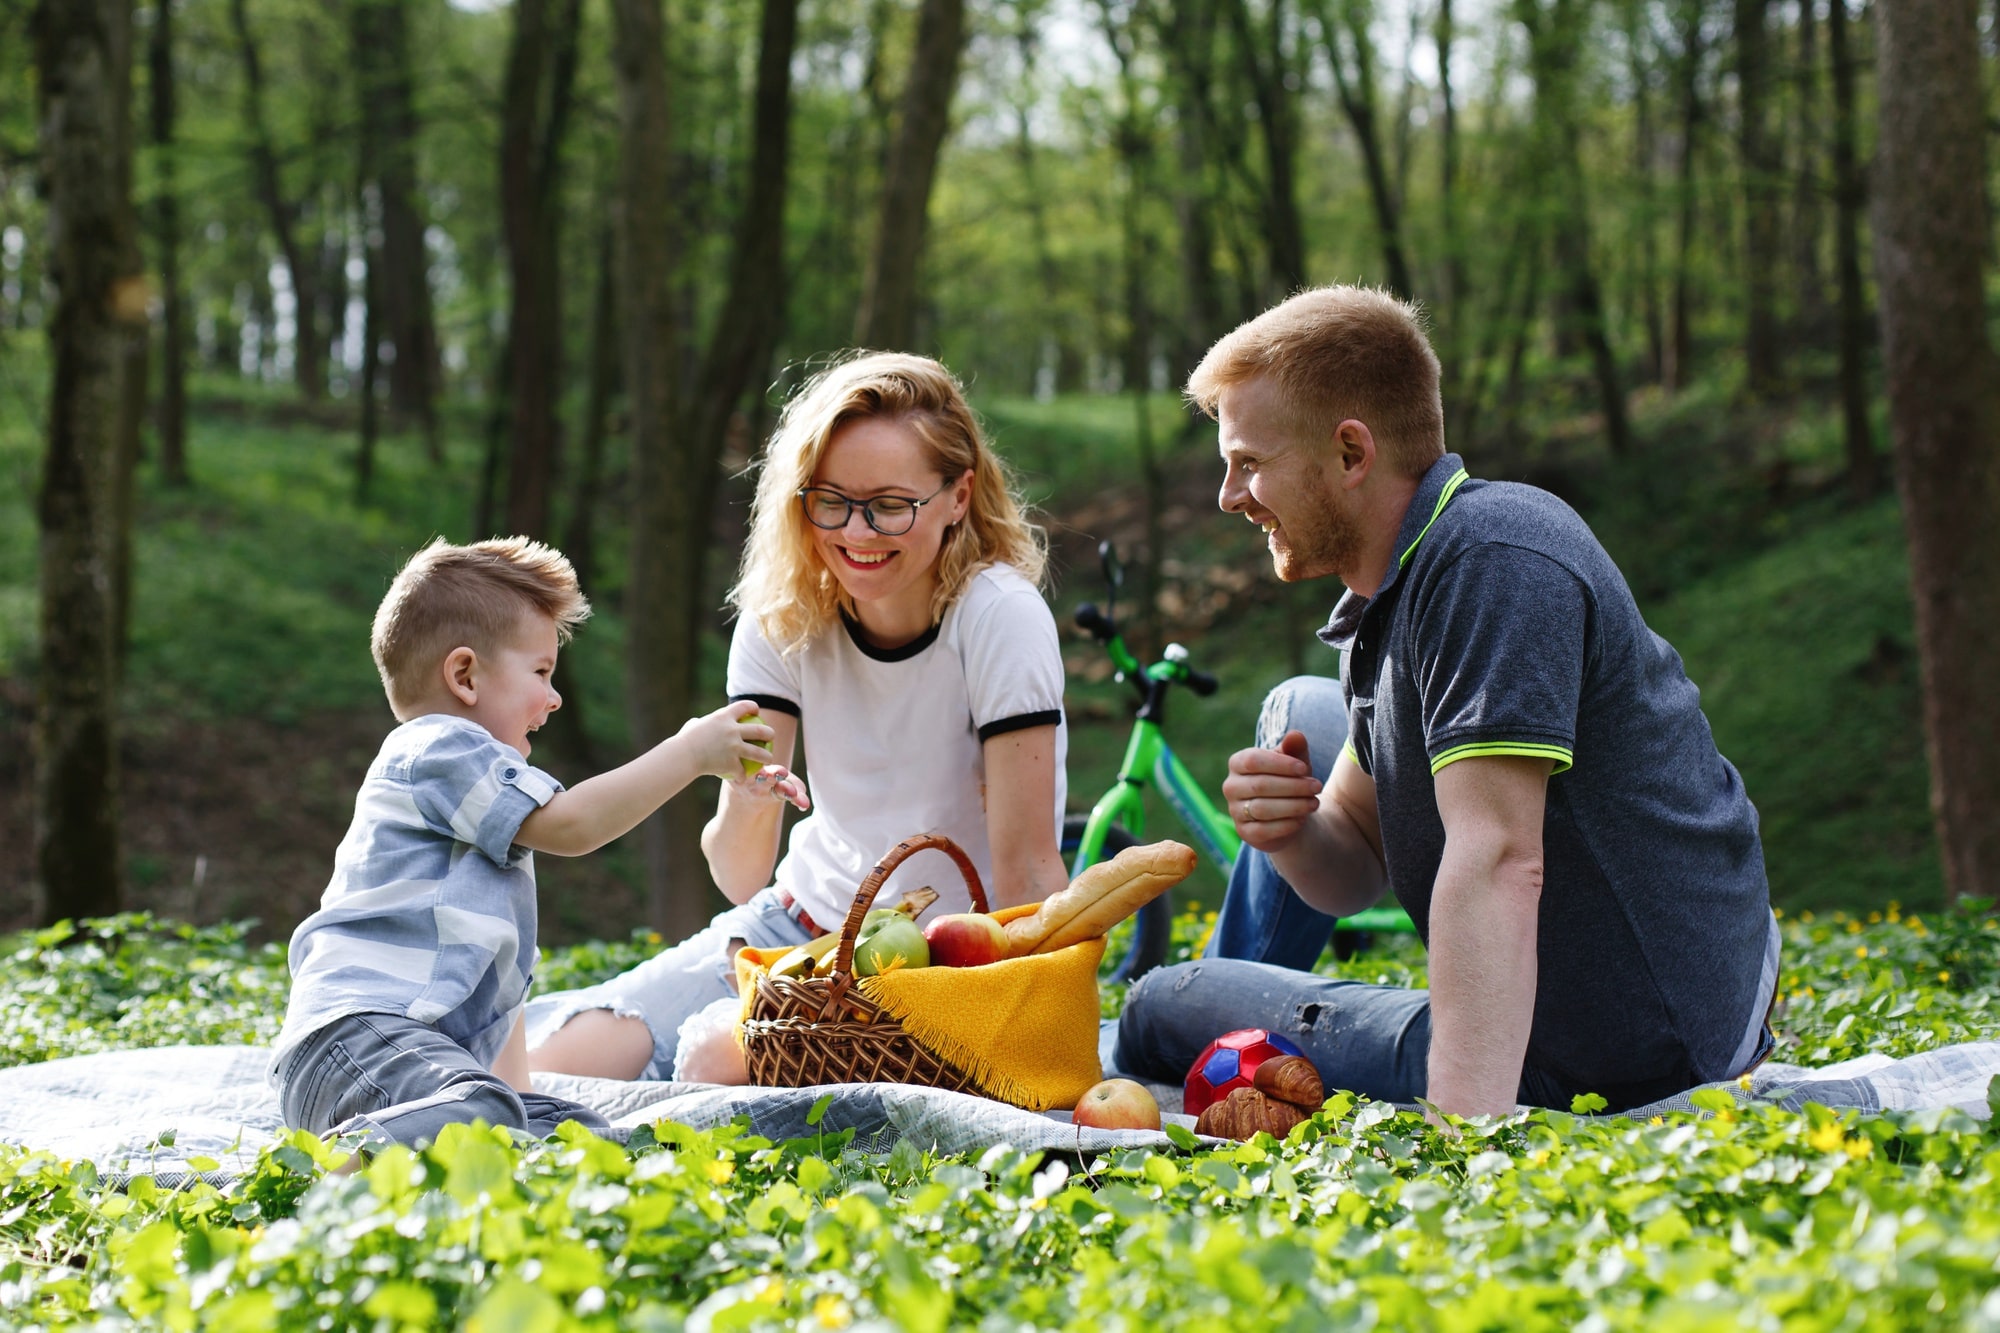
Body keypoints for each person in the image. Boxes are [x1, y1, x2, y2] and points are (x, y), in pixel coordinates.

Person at [1113, 286, 1780, 1117]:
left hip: (1619, 1048)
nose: (1229, 495)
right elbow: (1355, 854)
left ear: (1352, 452)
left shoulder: (1492, 562)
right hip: (1655, 1014)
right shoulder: (1402, 588)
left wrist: (1462, 1138)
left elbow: (1501, 856)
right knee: (1303, 706)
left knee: (1157, 1006)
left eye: (1248, 462)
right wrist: (1289, 831)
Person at [527, 351, 1072, 1082]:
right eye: (831, 501)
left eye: (889, 504)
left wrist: (1029, 1032)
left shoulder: (998, 617)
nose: (858, 532)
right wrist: (752, 795)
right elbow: (740, 871)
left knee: (718, 1061)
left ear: (958, 495)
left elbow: (1028, 869)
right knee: (555, 1065)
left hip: (939, 962)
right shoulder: (785, 614)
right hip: (796, 927)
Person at [270, 537, 787, 1147]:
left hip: (410, 1065)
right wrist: (690, 752)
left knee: (578, 1134)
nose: (554, 696)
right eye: (540, 672)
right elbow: (574, 825)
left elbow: (500, 1019)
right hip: (355, 1041)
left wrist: (529, 1111)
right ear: (464, 675)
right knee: (479, 1111)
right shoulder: (438, 746)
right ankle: (334, 1170)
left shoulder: (478, 808)